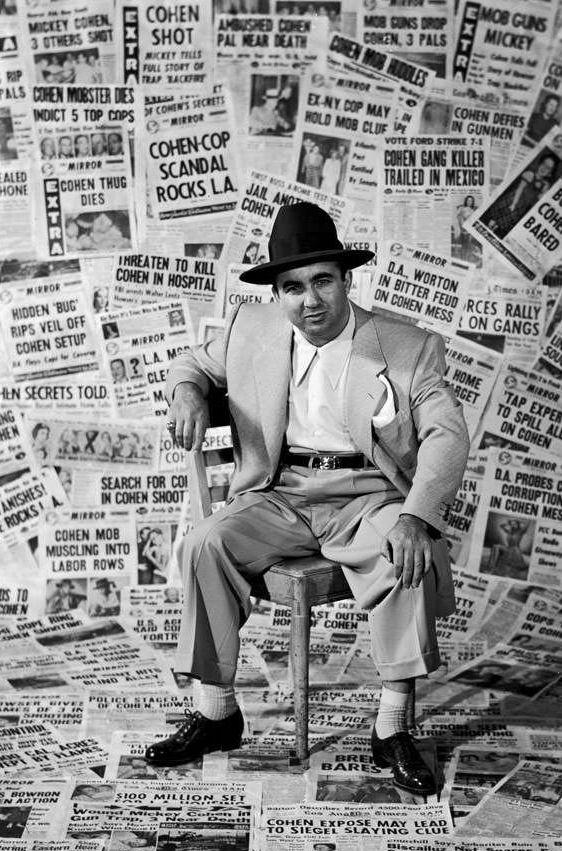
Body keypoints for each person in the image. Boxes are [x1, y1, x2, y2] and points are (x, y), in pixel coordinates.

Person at [147, 202, 470, 796]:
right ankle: (217, 714)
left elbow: (447, 435)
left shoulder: (406, 346)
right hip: (282, 494)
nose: (309, 300)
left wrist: (417, 517)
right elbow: (191, 363)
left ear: (347, 280)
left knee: (407, 553)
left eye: (323, 280)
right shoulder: (253, 329)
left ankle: (392, 727)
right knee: (203, 545)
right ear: (277, 293)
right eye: (292, 287)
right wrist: (189, 392)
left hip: (367, 497)